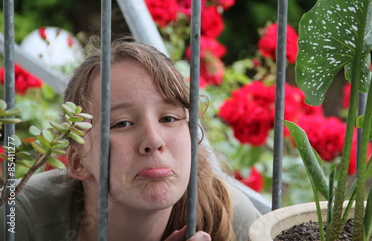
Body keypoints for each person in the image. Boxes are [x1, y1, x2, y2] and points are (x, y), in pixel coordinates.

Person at [0, 36, 261, 240]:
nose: (153, 140)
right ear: (77, 161)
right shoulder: (18, 218)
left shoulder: (229, 215)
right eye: (122, 123)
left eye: (169, 118)